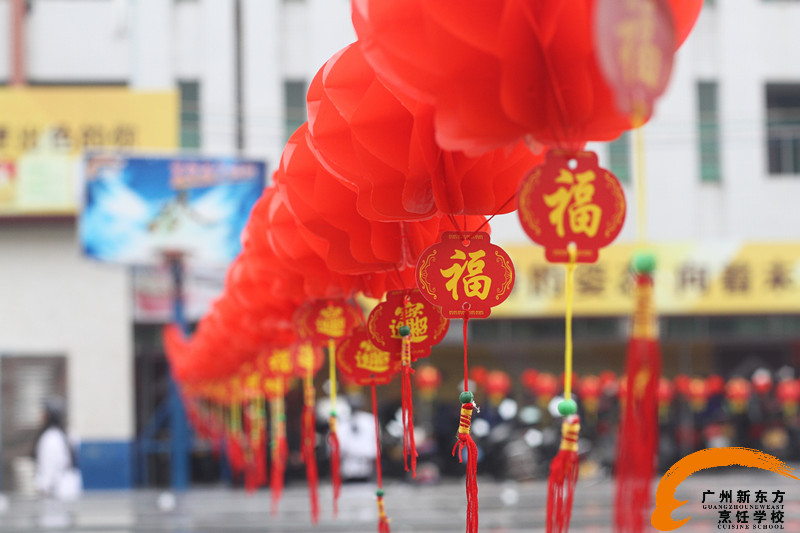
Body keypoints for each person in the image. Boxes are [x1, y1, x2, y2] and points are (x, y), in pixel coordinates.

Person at [33, 397, 82, 502]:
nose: (40, 417)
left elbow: (49, 466)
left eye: (43, 413)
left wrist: (44, 487)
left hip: (55, 491)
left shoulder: (50, 438)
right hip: (70, 487)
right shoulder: (70, 434)